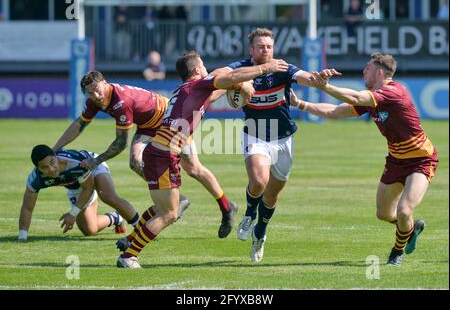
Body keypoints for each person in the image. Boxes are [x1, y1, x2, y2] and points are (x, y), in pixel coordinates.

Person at [116, 50, 289, 268]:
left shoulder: (184, 89)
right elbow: (229, 76)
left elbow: (218, 89)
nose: (206, 69)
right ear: (197, 70)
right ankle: (129, 256)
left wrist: (237, 86)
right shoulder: (198, 85)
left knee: (162, 207)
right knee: (170, 213)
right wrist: (264, 68)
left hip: (156, 151)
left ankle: (131, 240)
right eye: (204, 66)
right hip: (165, 154)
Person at [290, 52, 439, 266]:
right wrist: (300, 104)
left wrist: (325, 87)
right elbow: (334, 111)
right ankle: (411, 228)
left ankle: (396, 254)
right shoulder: (372, 98)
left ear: (380, 72)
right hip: (396, 161)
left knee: (404, 210)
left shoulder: (394, 91)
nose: (363, 72)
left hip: (421, 160)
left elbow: (355, 97)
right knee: (383, 214)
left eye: (367, 68)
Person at [53, 71, 236, 239]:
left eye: (97, 90)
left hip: (169, 119)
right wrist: (56, 148)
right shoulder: (95, 101)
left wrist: (97, 161)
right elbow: (79, 124)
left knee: (193, 168)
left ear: (105, 83)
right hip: (148, 125)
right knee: (135, 162)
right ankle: (176, 199)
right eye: (91, 93)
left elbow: (120, 143)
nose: (96, 96)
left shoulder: (121, 102)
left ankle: (226, 206)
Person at [212, 27, 323, 263]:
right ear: (251, 50)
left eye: (269, 46)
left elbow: (303, 76)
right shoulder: (241, 68)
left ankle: (260, 232)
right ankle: (250, 213)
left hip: (283, 138)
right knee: (259, 181)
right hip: (256, 135)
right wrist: (245, 78)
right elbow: (218, 76)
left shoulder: (282, 68)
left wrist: (316, 79)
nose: (266, 50)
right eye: (261, 46)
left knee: (271, 196)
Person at [18, 145, 139, 241]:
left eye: (52, 162)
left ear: (56, 157)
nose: (51, 169)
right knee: (89, 230)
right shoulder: (35, 179)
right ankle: (116, 218)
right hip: (77, 184)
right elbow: (27, 208)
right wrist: (22, 237)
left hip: (92, 164)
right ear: (38, 169)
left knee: (108, 196)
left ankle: (142, 230)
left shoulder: (75, 163)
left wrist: (73, 214)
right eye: (44, 167)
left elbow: (89, 188)